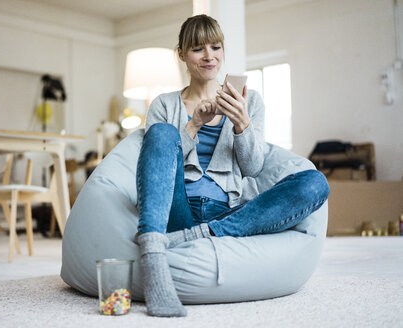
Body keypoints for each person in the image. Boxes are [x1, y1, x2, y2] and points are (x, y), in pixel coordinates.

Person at [135, 14, 330, 317]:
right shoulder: (164, 104)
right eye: (198, 48)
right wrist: (194, 125)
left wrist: (241, 123)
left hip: (229, 211)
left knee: (315, 183)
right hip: (178, 208)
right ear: (183, 55)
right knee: (161, 132)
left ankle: (195, 237)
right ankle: (152, 252)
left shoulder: (250, 103)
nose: (209, 56)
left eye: (216, 47)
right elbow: (158, 161)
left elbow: (253, 168)